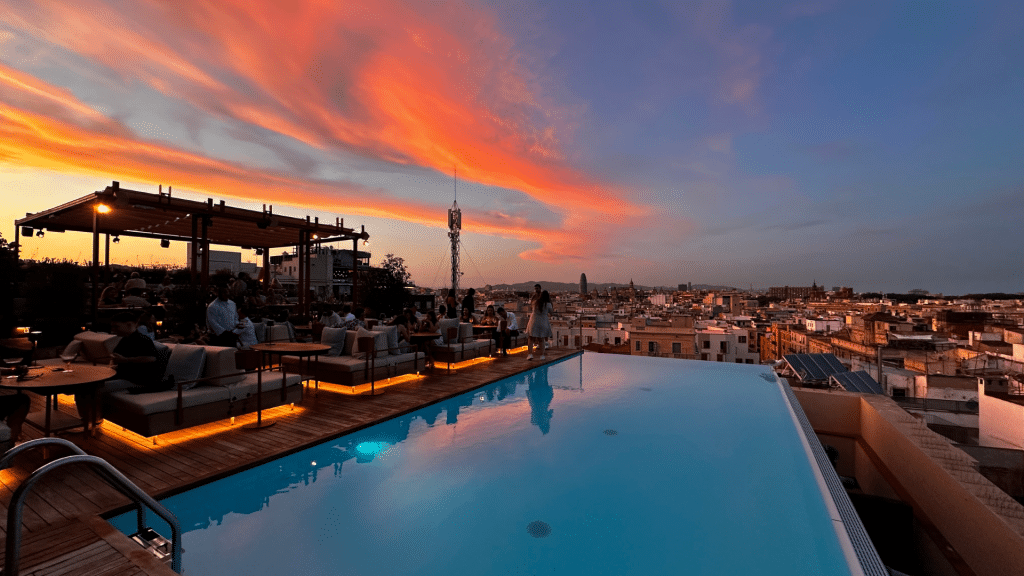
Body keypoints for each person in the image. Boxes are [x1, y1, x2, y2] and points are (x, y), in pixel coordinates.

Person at [76, 312, 163, 425]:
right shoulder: (124, 339)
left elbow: (151, 358)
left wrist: (125, 360)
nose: (113, 330)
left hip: (137, 380)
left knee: (93, 389)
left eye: (116, 326)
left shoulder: (142, 340)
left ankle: (93, 420)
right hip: (123, 375)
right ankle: (87, 418)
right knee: (84, 384)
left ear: (129, 324)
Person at [526, 290, 553, 360]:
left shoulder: (535, 302)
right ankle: (542, 355)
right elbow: (551, 313)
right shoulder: (548, 304)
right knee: (541, 339)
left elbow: (531, 306)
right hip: (543, 322)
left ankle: (530, 354)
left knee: (531, 338)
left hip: (534, 321)